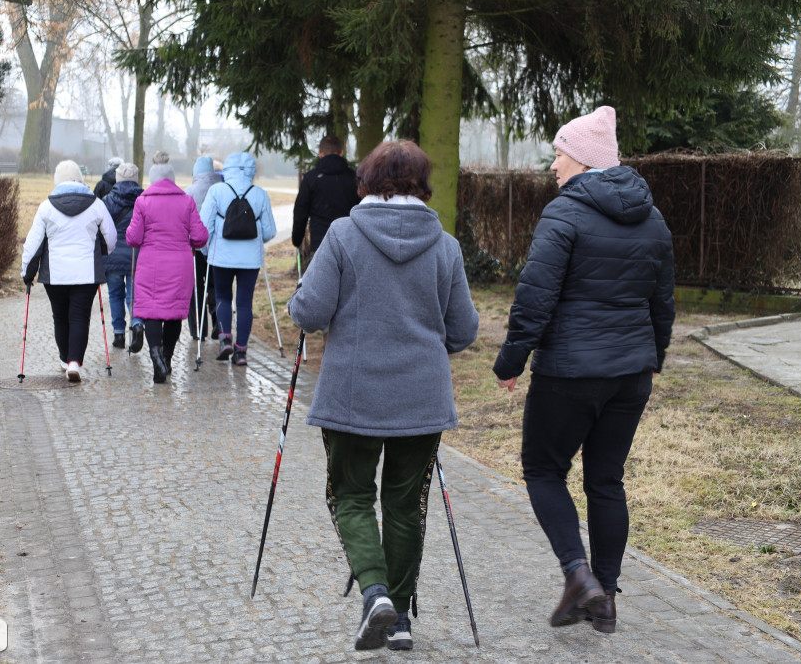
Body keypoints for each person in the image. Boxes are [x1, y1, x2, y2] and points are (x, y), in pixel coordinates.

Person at [287, 140, 479, 651]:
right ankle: (399, 622)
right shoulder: (446, 246)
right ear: (423, 186)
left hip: (353, 396)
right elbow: (463, 331)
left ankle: (375, 594)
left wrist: (297, 298)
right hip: (422, 397)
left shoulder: (345, 235)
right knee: (404, 506)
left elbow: (309, 313)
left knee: (350, 495)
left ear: (365, 182)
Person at [492, 105, 675, 633]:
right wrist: (653, 358)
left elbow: (535, 298)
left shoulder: (565, 214)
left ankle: (580, 576)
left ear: (583, 157)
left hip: (570, 373)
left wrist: (511, 362)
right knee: (606, 480)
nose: (553, 164)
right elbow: (661, 304)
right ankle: (607, 597)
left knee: (543, 469)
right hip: (630, 374)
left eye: (559, 152)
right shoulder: (653, 217)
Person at [21, 160, 117, 383]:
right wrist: (103, 252)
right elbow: (111, 239)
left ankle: (64, 360)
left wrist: (27, 273)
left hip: (55, 275)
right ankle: (75, 362)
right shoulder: (96, 205)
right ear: (80, 180)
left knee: (60, 317)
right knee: (80, 317)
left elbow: (33, 245)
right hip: (86, 273)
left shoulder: (46, 207)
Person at [126, 155, 209, 383]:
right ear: (172, 179)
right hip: (180, 265)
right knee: (173, 313)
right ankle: (167, 359)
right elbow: (200, 236)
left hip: (150, 264)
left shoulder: (142, 201)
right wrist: (186, 242)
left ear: (152, 178)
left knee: (152, 311)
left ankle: (156, 358)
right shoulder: (187, 201)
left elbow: (133, 237)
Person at [199, 152, 277, 366]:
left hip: (221, 257)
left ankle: (225, 339)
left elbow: (204, 227)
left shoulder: (216, 191)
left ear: (227, 170)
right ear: (252, 171)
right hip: (250, 260)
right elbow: (270, 232)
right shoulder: (260, 194)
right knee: (244, 303)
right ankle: (241, 351)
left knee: (223, 295)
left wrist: (205, 249)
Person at [291, 134, 359, 263]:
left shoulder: (311, 178)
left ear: (320, 154)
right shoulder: (354, 178)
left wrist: (297, 238)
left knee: (320, 282)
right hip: (349, 243)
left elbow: (300, 211)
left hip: (320, 242)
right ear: (341, 153)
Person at [102, 162, 142, 349]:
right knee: (133, 296)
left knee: (115, 295)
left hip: (112, 257)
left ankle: (118, 335)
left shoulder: (106, 201)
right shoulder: (143, 200)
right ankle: (136, 325)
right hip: (136, 256)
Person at [185, 155, 223, 340]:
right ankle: (219, 321)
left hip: (194, 246)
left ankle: (198, 329)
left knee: (196, 286)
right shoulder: (222, 189)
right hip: (217, 245)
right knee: (216, 284)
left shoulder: (189, 191)